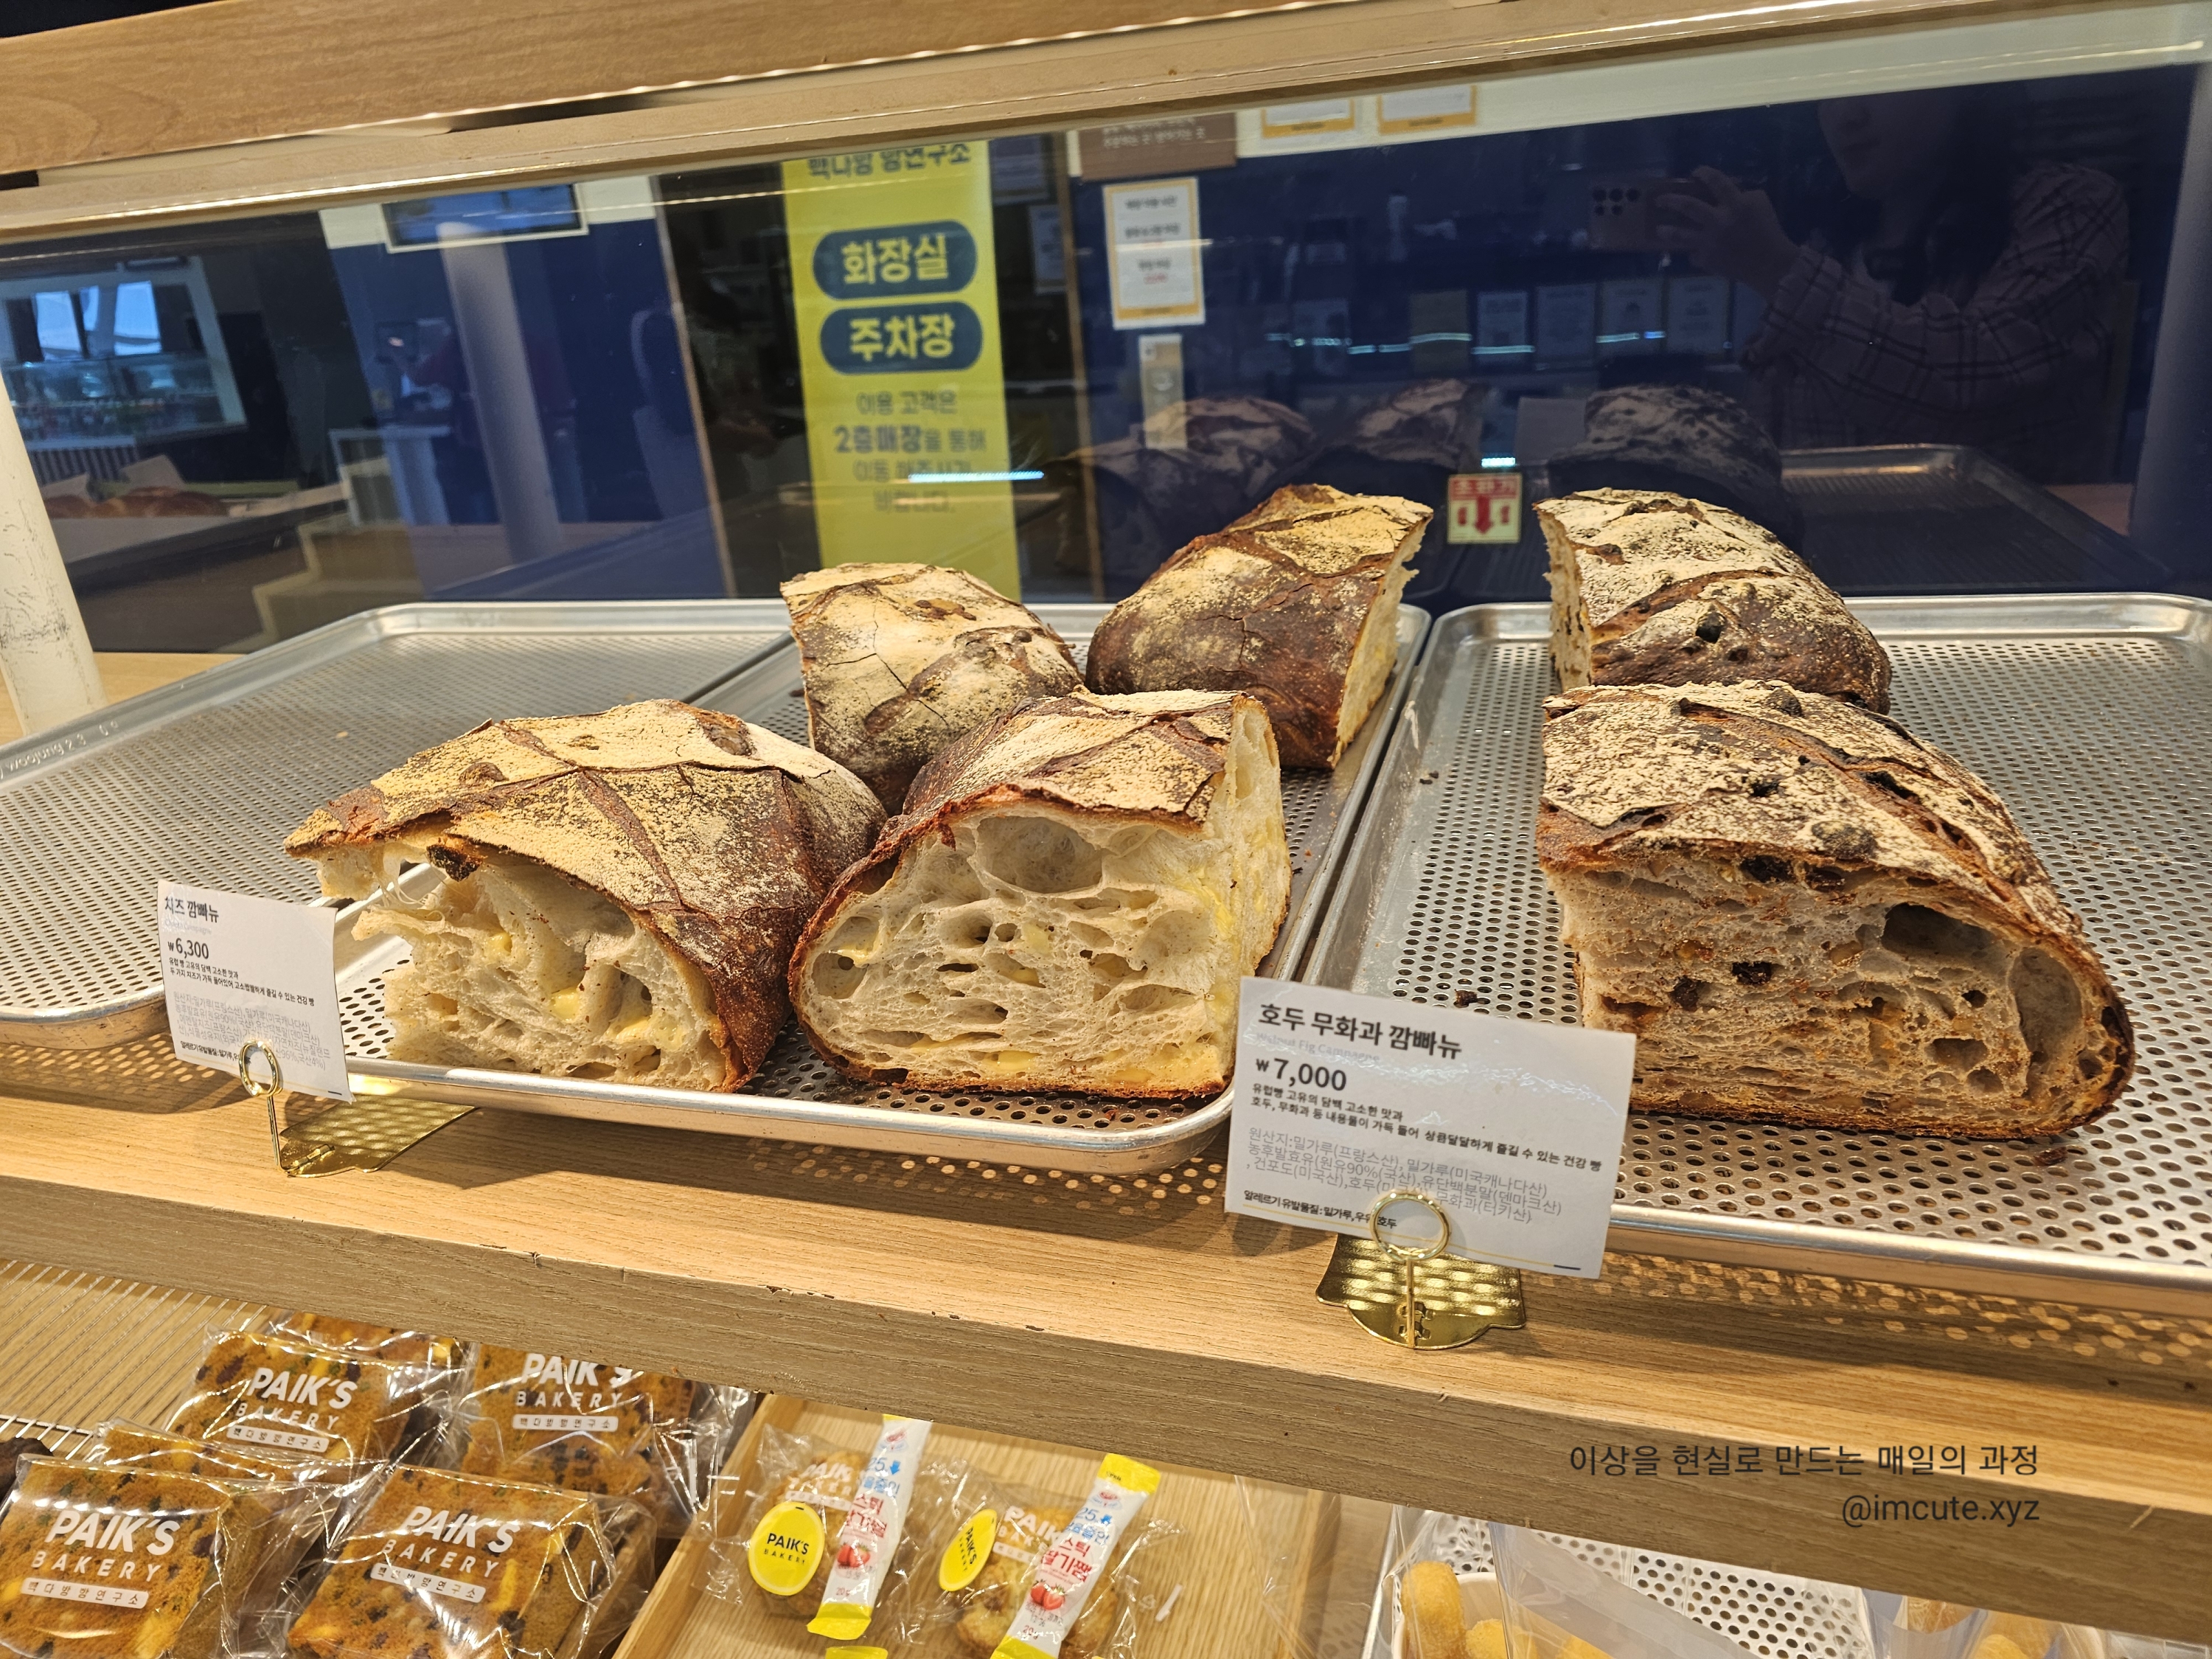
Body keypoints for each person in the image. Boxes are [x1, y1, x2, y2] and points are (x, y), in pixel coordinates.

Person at [1656, 87, 2129, 481]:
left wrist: (1776, 269)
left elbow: (1968, 393)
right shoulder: (1834, 243)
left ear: (1959, 82)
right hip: (1833, 554)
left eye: (1878, 82)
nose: (1845, 115)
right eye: (1828, 90)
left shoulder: (2065, 203)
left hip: (2000, 557)